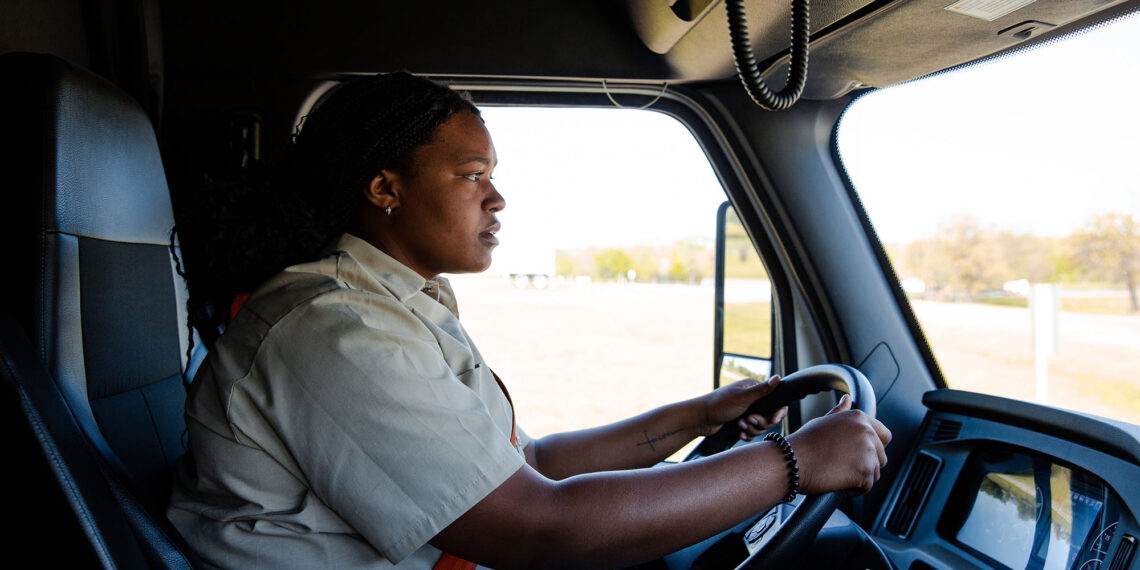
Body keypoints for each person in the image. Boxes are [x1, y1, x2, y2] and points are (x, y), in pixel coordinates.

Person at [168, 72, 892, 569]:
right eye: (473, 175)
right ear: (386, 187)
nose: (498, 199)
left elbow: (531, 466)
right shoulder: (333, 327)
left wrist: (703, 413)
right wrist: (792, 465)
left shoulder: (395, 302)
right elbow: (539, 526)